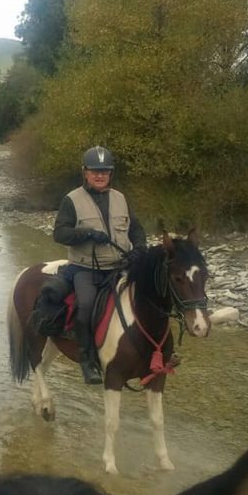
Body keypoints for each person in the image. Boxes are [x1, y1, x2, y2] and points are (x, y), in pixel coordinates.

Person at [53, 145, 146, 384]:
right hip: (85, 269)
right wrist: (86, 234)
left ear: (110, 174)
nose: (100, 175)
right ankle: (87, 360)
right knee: (85, 306)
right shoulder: (71, 200)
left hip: (119, 265)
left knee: (151, 297)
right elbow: (60, 233)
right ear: (85, 172)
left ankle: (152, 352)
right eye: (95, 171)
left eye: (105, 171)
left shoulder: (120, 198)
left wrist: (139, 250)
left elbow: (136, 229)